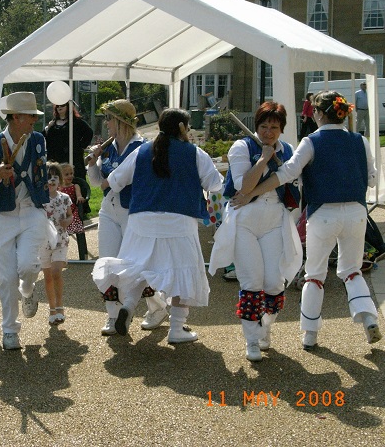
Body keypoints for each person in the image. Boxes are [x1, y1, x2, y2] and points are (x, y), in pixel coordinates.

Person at [232, 91, 381, 349]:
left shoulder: (311, 141)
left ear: (319, 114)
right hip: (357, 212)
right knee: (352, 269)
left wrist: (251, 193)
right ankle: (368, 316)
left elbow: (287, 173)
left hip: (323, 214)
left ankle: (310, 333)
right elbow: (372, 178)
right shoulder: (361, 140)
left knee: (314, 275)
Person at [92, 109, 224, 343]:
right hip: (179, 220)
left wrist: (93, 167)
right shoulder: (195, 153)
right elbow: (215, 185)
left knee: (139, 266)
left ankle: (129, 306)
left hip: (141, 219)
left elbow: (113, 182)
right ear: (183, 128)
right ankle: (177, 329)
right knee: (184, 271)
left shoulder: (141, 150)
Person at [208, 102, 303, 362]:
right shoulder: (242, 147)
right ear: (256, 127)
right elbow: (242, 187)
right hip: (245, 221)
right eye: (263, 126)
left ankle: (265, 326)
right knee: (252, 281)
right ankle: (251, 340)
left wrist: (275, 157)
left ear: (281, 128)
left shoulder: (289, 151)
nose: (268, 132)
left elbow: (287, 181)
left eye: (274, 127)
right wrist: (262, 159)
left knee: (274, 281)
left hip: (274, 218)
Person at [0, 91, 51, 350]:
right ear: (15, 117)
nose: (34, 121)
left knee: (27, 266)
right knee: (5, 279)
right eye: (30, 116)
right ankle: (9, 330)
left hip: (30, 212)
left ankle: (28, 291)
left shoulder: (38, 140)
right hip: (0, 216)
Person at [87, 99, 168, 335]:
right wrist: (93, 162)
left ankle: (158, 307)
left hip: (134, 214)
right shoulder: (109, 148)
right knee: (108, 262)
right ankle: (113, 315)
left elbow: (118, 182)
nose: (106, 124)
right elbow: (96, 182)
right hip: (109, 211)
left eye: (109, 119)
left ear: (121, 121)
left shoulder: (141, 148)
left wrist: (104, 174)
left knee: (135, 265)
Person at [39, 162, 73, 325]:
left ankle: (60, 306)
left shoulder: (64, 198)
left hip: (60, 240)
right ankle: (52, 309)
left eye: (55, 177)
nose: (51, 181)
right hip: (43, 242)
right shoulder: (38, 200)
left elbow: (70, 215)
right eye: (48, 178)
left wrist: (67, 221)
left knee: (56, 272)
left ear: (60, 180)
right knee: (47, 276)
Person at [44, 101, 93, 182]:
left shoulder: (76, 122)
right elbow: (45, 138)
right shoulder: (52, 124)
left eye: (62, 105)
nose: (59, 107)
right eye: (57, 105)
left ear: (68, 106)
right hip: (56, 158)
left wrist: (80, 147)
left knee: (74, 182)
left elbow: (89, 133)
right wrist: (47, 128)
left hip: (73, 158)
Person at [59, 162, 87, 258]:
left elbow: (78, 195)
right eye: (67, 174)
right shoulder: (59, 188)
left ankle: (83, 253)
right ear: (60, 176)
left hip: (72, 209)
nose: (70, 176)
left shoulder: (75, 186)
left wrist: (79, 197)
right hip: (61, 211)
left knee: (74, 217)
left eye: (71, 173)